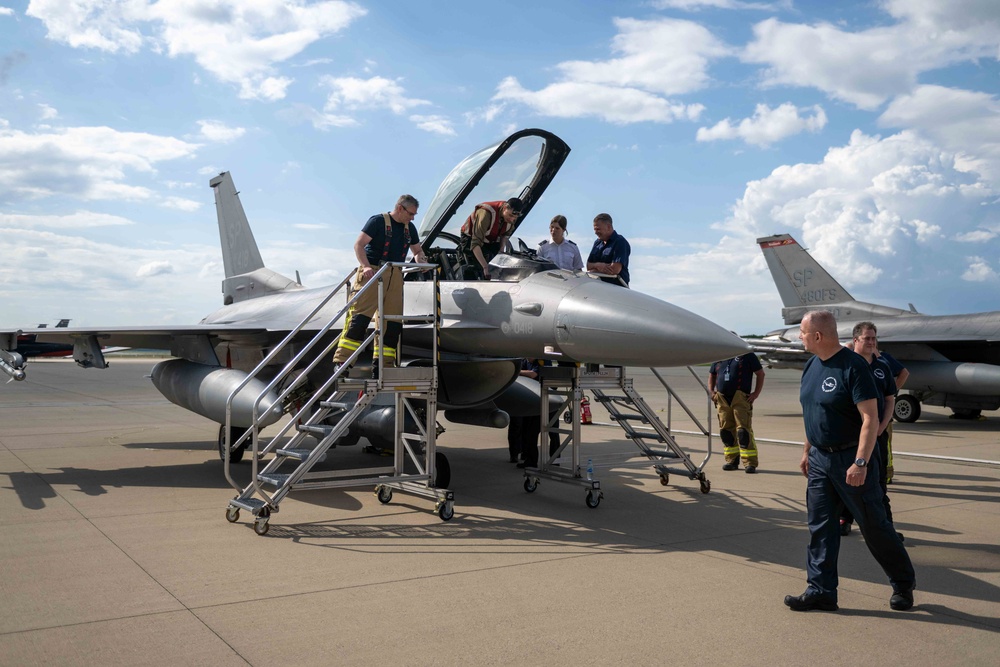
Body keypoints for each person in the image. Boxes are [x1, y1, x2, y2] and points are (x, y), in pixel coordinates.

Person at [785, 310, 915, 613]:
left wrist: (861, 461)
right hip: (819, 459)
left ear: (817, 336)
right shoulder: (811, 366)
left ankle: (903, 583)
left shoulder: (853, 367)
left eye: (802, 333)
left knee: (874, 526)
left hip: (850, 459)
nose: (799, 338)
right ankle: (821, 591)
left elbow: (870, 418)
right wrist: (807, 451)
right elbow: (813, 412)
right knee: (820, 527)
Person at [333, 195, 426, 377]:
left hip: (396, 275)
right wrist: (366, 266)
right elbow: (359, 245)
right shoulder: (377, 221)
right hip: (372, 273)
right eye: (411, 213)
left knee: (392, 324)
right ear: (400, 208)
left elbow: (417, 250)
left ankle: (383, 366)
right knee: (358, 319)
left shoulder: (410, 228)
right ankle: (342, 362)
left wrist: (420, 259)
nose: (413, 218)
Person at [840, 322, 898, 537]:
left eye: (874, 338)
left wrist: (881, 427)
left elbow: (890, 399)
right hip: (851, 437)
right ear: (855, 340)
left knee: (879, 482)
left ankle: (887, 528)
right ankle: (844, 519)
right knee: (848, 480)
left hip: (877, 436)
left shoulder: (882, 367)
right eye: (867, 338)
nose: (872, 342)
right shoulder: (846, 366)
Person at [708, 351, 765, 473]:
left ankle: (750, 462)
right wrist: (711, 392)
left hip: (740, 397)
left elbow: (760, 374)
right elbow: (712, 375)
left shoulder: (747, 355)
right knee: (726, 431)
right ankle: (731, 461)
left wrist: (755, 393)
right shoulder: (719, 356)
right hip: (722, 398)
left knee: (743, 431)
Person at [459, 197, 523, 279]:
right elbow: (475, 243)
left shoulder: (512, 217)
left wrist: (501, 249)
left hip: (490, 240)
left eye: (515, 217)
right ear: (505, 207)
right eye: (510, 215)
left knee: (497, 267)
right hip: (470, 238)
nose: (512, 219)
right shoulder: (486, 213)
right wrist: (485, 267)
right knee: (479, 269)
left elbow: (505, 234)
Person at [877, 349, 908, 483]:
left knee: (885, 445)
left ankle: (887, 473)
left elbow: (904, 373)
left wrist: (892, 390)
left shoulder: (883, 359)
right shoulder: (859, 360)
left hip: (884, 413)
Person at [586, 213, 630, 286]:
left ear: (608, 227)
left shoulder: (620, 242)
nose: (596, 232)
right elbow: (588, 265)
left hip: (616, 289)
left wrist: (594, 270)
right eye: (595, 229)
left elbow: (614, 270)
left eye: (598, 229)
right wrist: (599, 265)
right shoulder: (597, 243)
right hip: (597, 287)